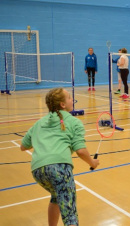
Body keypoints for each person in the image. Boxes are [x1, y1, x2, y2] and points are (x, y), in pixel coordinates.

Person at [20, 88, 99, 226]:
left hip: (38, 171)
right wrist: (93, 162)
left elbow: (23, 146)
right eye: (69, 97)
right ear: (63, 104)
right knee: (70, 215)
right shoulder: (74, 122)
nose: (71, 99)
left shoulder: (39, 123)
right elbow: (80, 151)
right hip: (59, 169)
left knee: (56, 197)